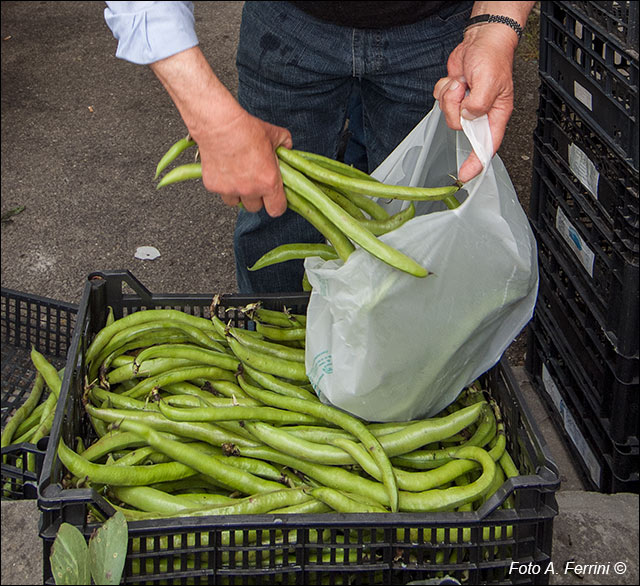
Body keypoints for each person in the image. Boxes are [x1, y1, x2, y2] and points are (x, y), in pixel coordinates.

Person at [104, 1, 535, 293]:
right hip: (288, 21)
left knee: (423, 229)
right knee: (274, 219)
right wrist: (210, 117)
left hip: (440, 26)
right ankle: (273, 345)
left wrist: (496, 26)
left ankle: (395, 371)